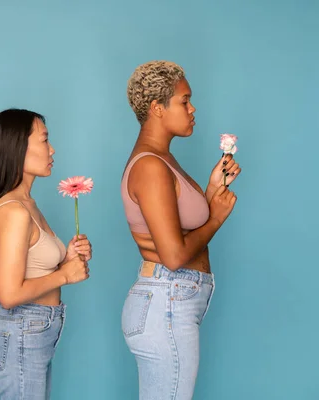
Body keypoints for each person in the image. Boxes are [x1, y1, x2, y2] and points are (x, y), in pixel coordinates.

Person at [120, 61, 241, 399]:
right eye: (184, 101)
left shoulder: (161, 159)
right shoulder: (150, 166)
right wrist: (216, 217)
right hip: (166, 301)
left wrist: (211, 193)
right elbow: (173, 255)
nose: (193, 108)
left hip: (168, 302)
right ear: (158, 109)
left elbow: (174, 228)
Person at [0, 108, 92, 399]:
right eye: (44, 140)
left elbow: (33, 270)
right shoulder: (15, 210)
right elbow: (8, 294)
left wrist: (67, 259)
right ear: (19, 147)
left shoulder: (26, 203)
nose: (52, 149)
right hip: (23, 331)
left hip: (33, 331)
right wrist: (65, 276)